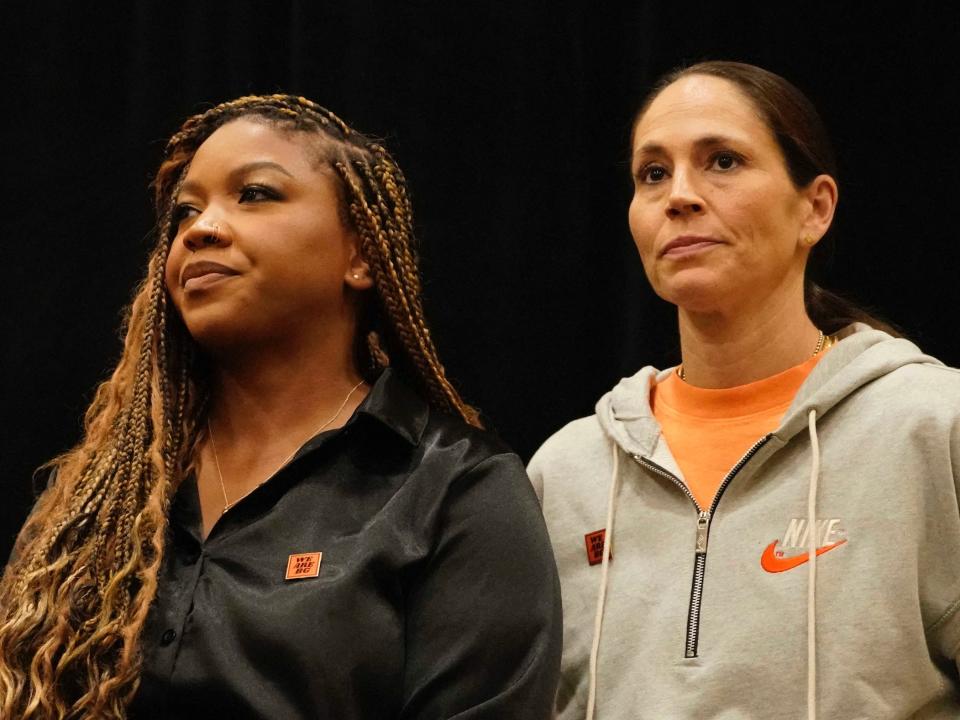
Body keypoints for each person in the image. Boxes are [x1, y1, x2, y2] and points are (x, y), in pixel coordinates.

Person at [0, 94, 561, 719]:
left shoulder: (456, 492)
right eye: (186, 210)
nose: (200, 228)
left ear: (361, 255)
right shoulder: (96, 497)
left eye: (255, 194)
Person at [528, 61, 960, 719]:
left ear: (814, 209)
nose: (680, 195)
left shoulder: (932, 424)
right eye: (653, 173)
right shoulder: (568, 473)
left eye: (723, 162)